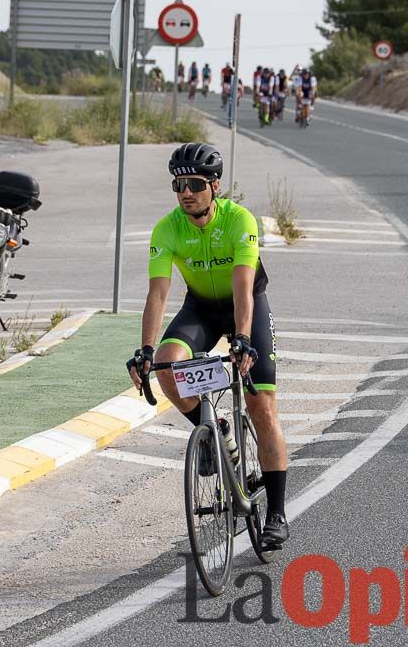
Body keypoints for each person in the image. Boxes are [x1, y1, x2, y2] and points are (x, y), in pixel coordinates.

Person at [127, 144, 290, 549]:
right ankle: (214, 430)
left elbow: (242, 287)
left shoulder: (239, 221)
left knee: (262, 407)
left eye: (195, 184)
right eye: (179, 184)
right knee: (168, 366)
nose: (186, 192)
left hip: (246, 302)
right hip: (200, 307)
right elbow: (158, 295)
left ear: (214, 186)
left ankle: (276, 514)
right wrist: (146, 349)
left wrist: (243, 339)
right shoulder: (167, 229)